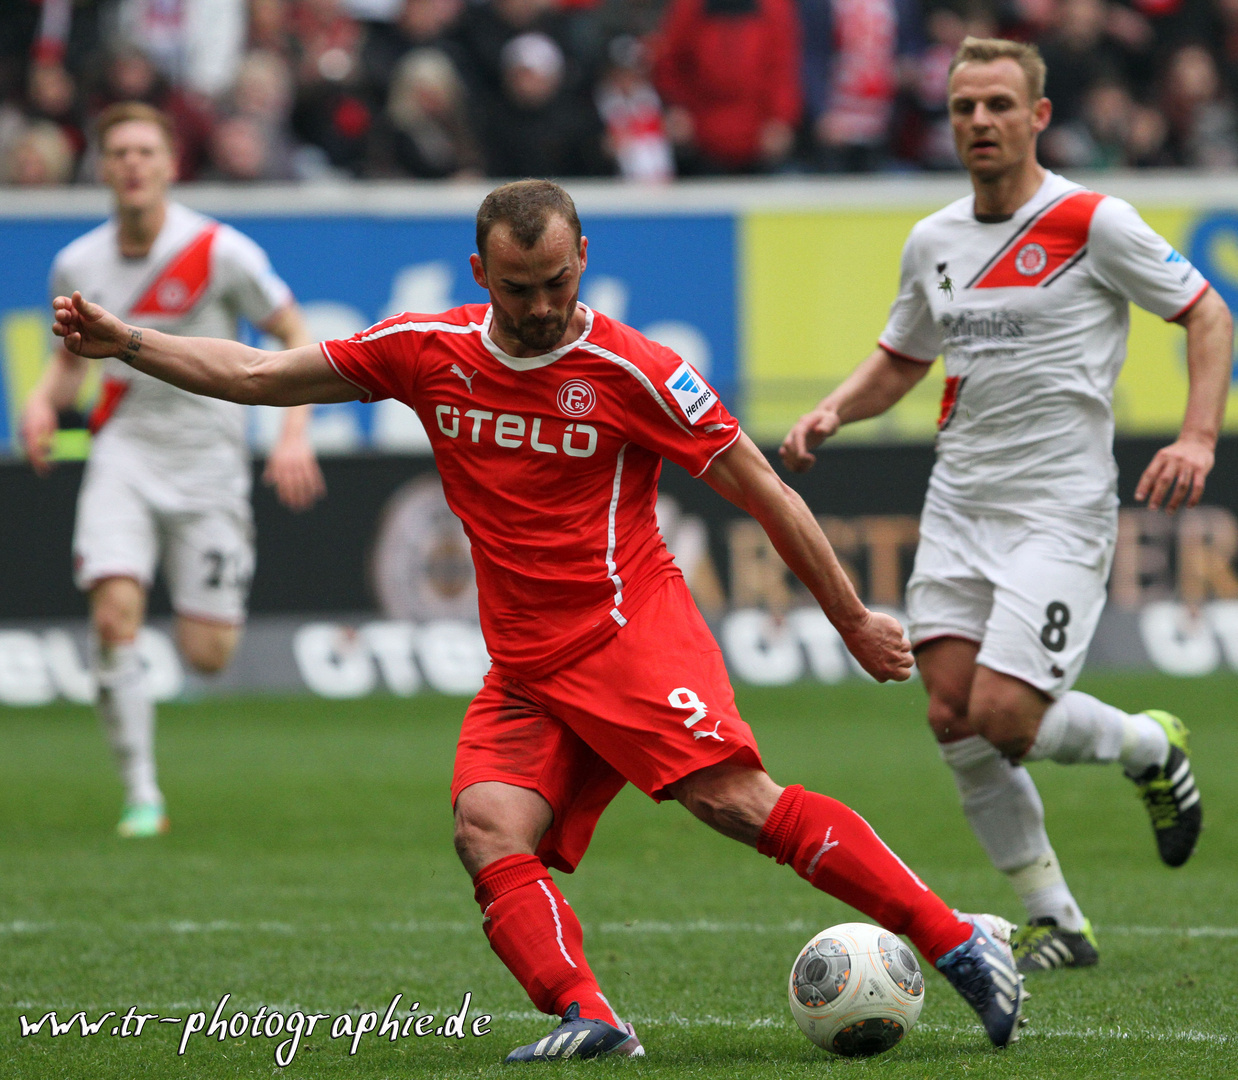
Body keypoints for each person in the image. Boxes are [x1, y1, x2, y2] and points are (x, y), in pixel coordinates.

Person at [50, 179, 1027, 1058]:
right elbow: (259, 374)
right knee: (486, 826)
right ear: (482, 274)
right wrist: (128, 344)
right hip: (525, 665)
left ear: (581, 261)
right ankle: (589, 1017)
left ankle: (955, 940)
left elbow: (760, 489)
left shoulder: (631, 369)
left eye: (557, 280)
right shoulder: (423, 351)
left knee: (730, 803)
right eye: (518, 288)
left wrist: (849, 615)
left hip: (624, 631)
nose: (541, 305)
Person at [781, 37, 1233, 975]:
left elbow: (1206, 313)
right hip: (959, 505)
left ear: (1038, 116)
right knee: (951, 716)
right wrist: (837, 406)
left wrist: (1195, 435)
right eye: (962, 108)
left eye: (997, 105)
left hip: (1060, 511)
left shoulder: (1090, 220)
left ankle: (1149, 744)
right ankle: (1057, 920)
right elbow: (904, 356)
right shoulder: (936, 240)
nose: (979, 122)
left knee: (1007, 717)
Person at [21, 102, 325, 839]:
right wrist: (40, 404)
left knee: (209, 653)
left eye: (144, 152)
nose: (131, 164)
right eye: (118, 152)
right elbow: (70, 364)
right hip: (122, 452)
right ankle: (141, 794)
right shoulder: (78, 263)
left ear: (169, 164)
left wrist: (293, 434)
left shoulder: (222, 252)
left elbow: (294, 335)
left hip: (210, 463)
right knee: (111, 613)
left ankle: (184, 626)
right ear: (102, 167)